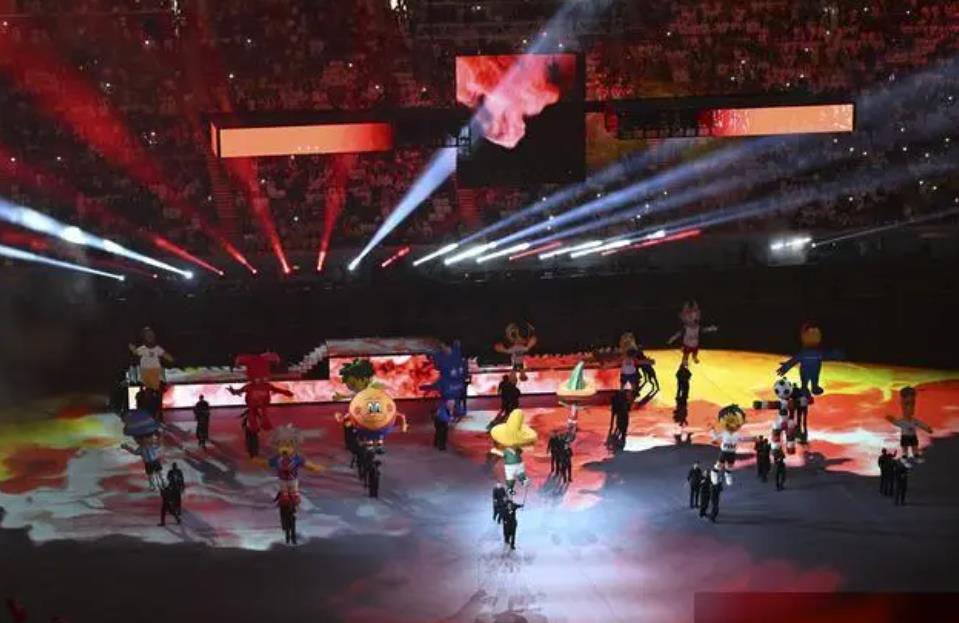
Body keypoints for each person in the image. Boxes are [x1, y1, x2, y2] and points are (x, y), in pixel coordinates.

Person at [886, 386, 933, 463]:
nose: (910, 409)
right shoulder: (903, 421)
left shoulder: (913, 420)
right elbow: (895, 422)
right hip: (906, 436)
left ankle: (915, 456)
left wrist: (927, 429)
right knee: (906, 448)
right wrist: (890, 419)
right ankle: (905, 457)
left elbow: (921, 424)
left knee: (914, 447)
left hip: (912, 436)